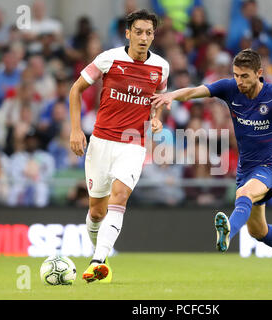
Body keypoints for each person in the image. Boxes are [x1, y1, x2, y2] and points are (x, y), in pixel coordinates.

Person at [151, 48, 272, 281]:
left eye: (244, 76)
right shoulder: (229, 88)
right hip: (245, 170)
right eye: (236, 75)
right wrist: (172, 95)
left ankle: (227, 234)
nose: (239, 81)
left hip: (268, 169)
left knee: (244, 194)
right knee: (258, 231)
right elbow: (196, 91)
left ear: (259, 73)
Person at [69, 9, 169, 283]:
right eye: (138, 32)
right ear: (128, 33)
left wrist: (156, 118)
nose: (144, 37)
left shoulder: (161, 67)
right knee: (96, 212)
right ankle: (99, 250)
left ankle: (97, 261)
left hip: (132, 143)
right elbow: (75, 89)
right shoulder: (108, 59)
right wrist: (76, 129)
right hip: (100, 142)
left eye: (149, 32)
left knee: (120, 196)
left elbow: (157, 98)